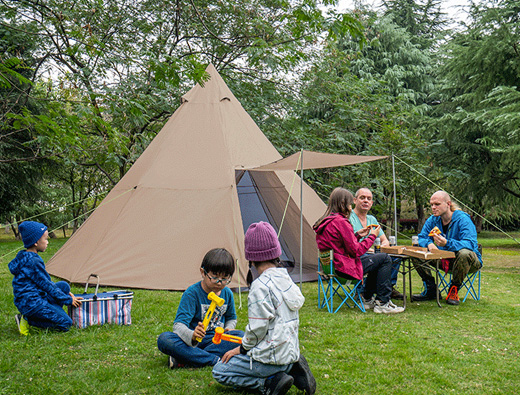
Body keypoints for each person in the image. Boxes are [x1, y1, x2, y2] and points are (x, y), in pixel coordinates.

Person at [212, 222, 316, 395]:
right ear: (276, 251)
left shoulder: (260, 287)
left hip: (269, 360)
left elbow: (257, 328)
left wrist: (241, 349)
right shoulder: (286, 278)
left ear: (250, 257)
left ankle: (268, 382)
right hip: (289, 353)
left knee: (219, 371)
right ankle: (292, 368)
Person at [313, 187, 404, 314]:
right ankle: (383, 303)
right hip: (344, 268)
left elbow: (340, 245)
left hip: (331, 267)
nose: (350, 206)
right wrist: (372, 236)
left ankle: (367, 298)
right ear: (344, 203)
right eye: (350, 202)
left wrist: (357, 235)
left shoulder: (328, 221)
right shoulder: (341, 222)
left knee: (376, 261)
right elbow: (356, 251)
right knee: (385, 259)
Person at [157, 248, 244, 368]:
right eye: (215, 276)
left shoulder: (227, 293)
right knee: (165, 339)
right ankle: (214, 360)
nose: (219, 282)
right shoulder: (192, 293)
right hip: (192, 343)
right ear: (203, 272)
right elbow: (178, 326)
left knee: (242, 336)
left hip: (216, 341)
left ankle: (186, 359)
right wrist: (192, 335)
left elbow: (231, 317)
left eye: (225, 278)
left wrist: (229, 329)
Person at [8, 221, 82, 333]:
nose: (47, 242)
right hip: (32, 303)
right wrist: (67, 299)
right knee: (66, 324)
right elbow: (47, 286)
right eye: (45, 239)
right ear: (36, 242)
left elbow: (45, 283)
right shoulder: (33, 261)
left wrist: (64, 294)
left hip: (35, 296)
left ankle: (51, 312)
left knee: (63, 286)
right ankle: (28, 320)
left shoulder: (25, 256)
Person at [412, 191, 482, 305]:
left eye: (437, 204)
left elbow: (470, 244)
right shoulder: (433, 219)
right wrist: (429, 243)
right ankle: (431, 288)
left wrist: (447, 243)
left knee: (464, 253)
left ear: (448, 204)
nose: (433, 207)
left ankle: (454, 289)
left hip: (468, 262)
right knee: (415, 252)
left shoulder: (463, 219)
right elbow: (422, 237)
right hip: (443, 258)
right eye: (431, 205)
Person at [350, 187, 404, 300]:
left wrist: (384, 245)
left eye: (369, 199)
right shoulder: (349, 217)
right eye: (362, 198)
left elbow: (385, 240)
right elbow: (351, 243)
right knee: (380, 258)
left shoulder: (372, 219)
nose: (366, 201)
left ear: (372, 203)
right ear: (355, 200)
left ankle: (389, 286)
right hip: (357, 254)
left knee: (396, 257)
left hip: (373, 253)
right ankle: (363, 290)